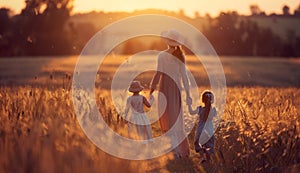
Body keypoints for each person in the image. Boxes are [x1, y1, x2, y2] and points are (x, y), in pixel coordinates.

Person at [149, 29, 191, 158]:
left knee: (167, 118)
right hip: (176, 88)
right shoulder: (181, 56)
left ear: (167, 42)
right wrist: (188, 94)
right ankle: (179, 152)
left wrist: (151, 90)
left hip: (164, 88)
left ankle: (173, 151)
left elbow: (158, 74)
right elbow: (184, 76)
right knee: (177, 119)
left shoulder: (162, 55)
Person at [187, 90, 217, 164]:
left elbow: (191, 112)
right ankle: (209, 160)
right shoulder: (213, 110)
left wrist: (189, 104)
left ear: (202, 100)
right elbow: (214, 116)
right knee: (209, 145)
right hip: (210, 130)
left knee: (199, 144)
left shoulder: (200, 108)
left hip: (200, 130)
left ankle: (203, 158)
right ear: (212, 100)